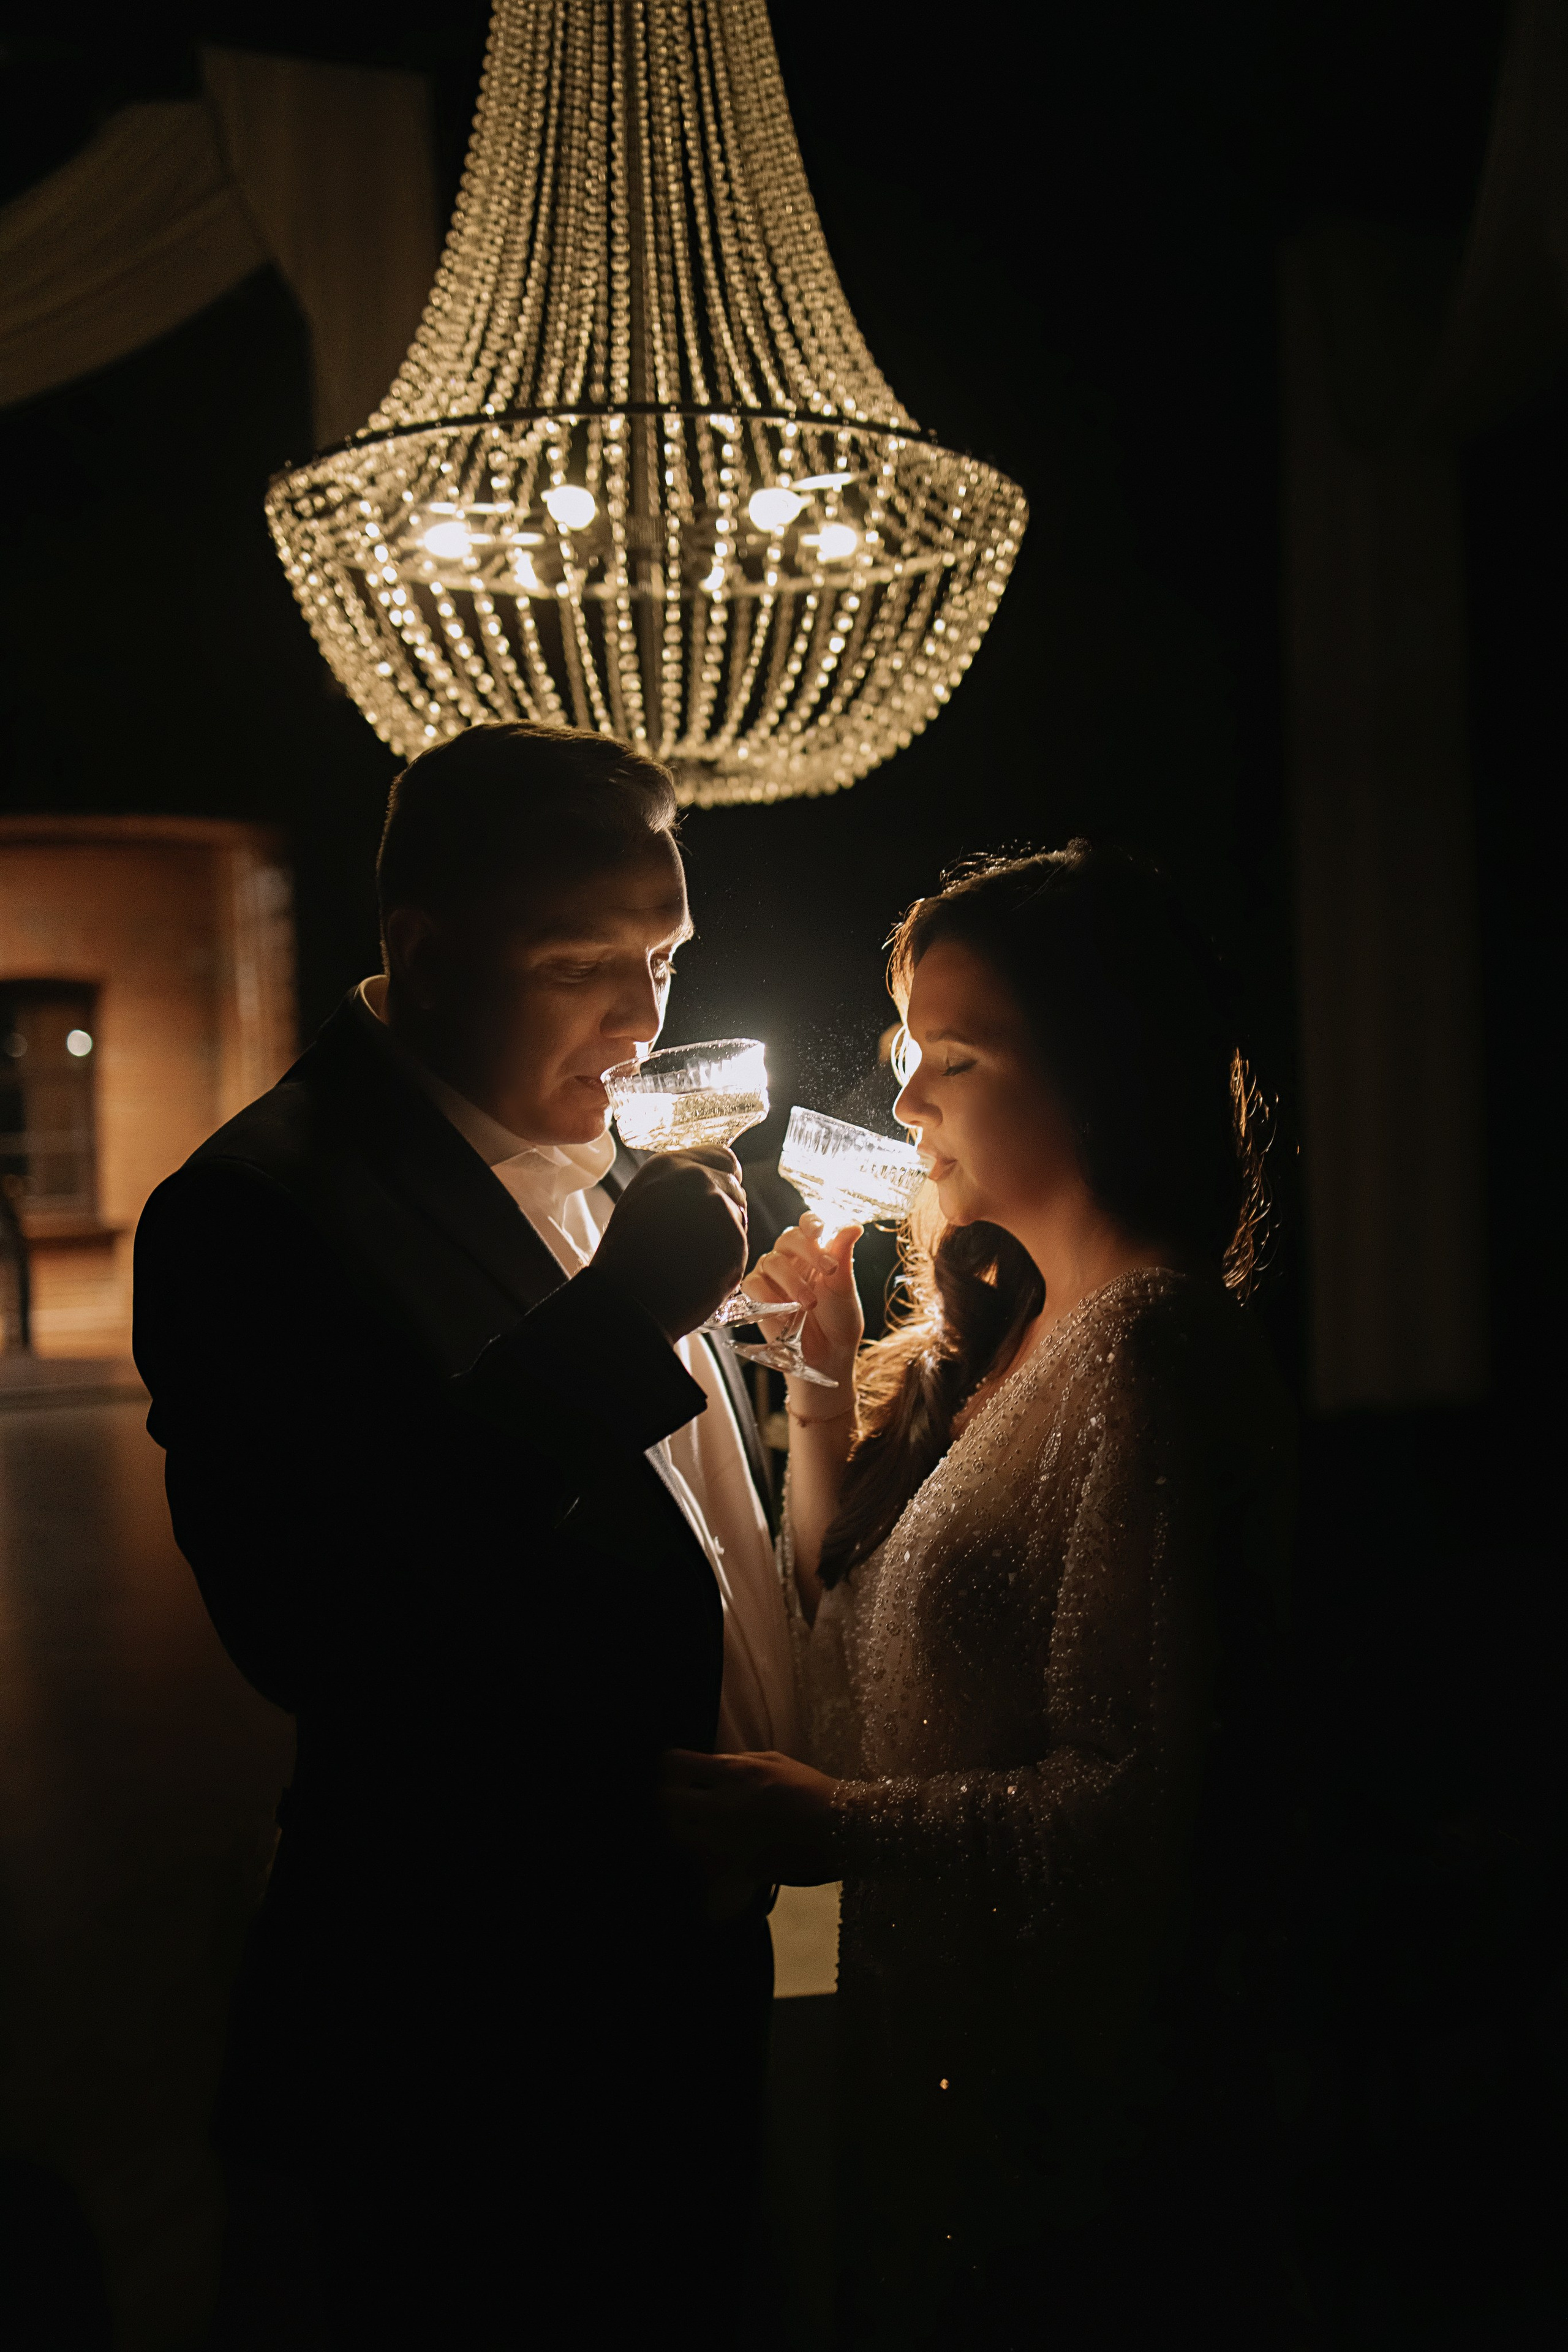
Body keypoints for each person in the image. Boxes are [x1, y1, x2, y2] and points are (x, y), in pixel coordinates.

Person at [134, 722, 788, 2347]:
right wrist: (618, 1327)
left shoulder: (622, 1149)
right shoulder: (258, 1212)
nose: (646, 1020)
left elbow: (682, 1534)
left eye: (668, 953)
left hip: (682, 1987)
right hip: (453, 2039)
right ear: (420, 955)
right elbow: (315, 1618)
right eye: (586, 961)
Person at [663, 843, 1299, 2347]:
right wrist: (820, 1373)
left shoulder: (1150, 1352)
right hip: (931, 2043)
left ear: (1093, 1067)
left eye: (949, 1058)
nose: (900, 1105)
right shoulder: (1011, 1338)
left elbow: (1133, 1810)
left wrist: (827, 1824)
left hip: (1056, 2091)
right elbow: (851, 1622)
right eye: (900, 1054)